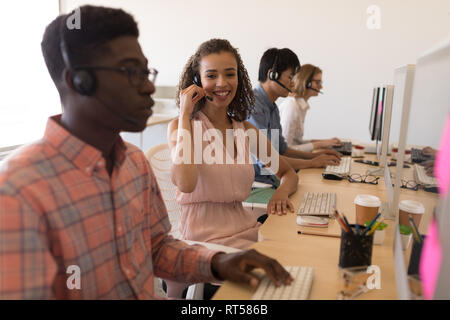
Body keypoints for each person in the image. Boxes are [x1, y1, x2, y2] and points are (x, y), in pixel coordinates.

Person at [0, 6, 292, 299]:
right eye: (130, 71)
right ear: (78, 80)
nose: (149, 85)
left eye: (145, 71)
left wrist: (217, 262)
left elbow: (156, 247)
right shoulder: (19, 189)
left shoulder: (133, 162)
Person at [168, 39, 299, 249]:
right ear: (197, 81)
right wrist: (185, 114)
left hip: (244, 231)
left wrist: (280, 194)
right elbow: (186, 183)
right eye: (211, 76)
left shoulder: (245, 130)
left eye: (230, 74)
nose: (222, 83)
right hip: (204, 243)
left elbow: (288, 173)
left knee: (298, 254)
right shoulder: (183, 127)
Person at [248, 48, 341, 186]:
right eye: (290, 77)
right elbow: (268, 163)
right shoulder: (254, 107)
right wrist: (311, 162)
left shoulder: (272, 107)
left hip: (273, 179)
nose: (293, 84)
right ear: (272, 75)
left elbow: (283, 150)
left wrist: (316, 156)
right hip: (258, 185)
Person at [279, 64, 341, 152]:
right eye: (317, 82)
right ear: (306, 82)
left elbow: (297, 142)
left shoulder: (301, 106)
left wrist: (325, 142)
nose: (321, 87)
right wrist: (319, 144)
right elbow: (285, 149)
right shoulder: (291, 106)